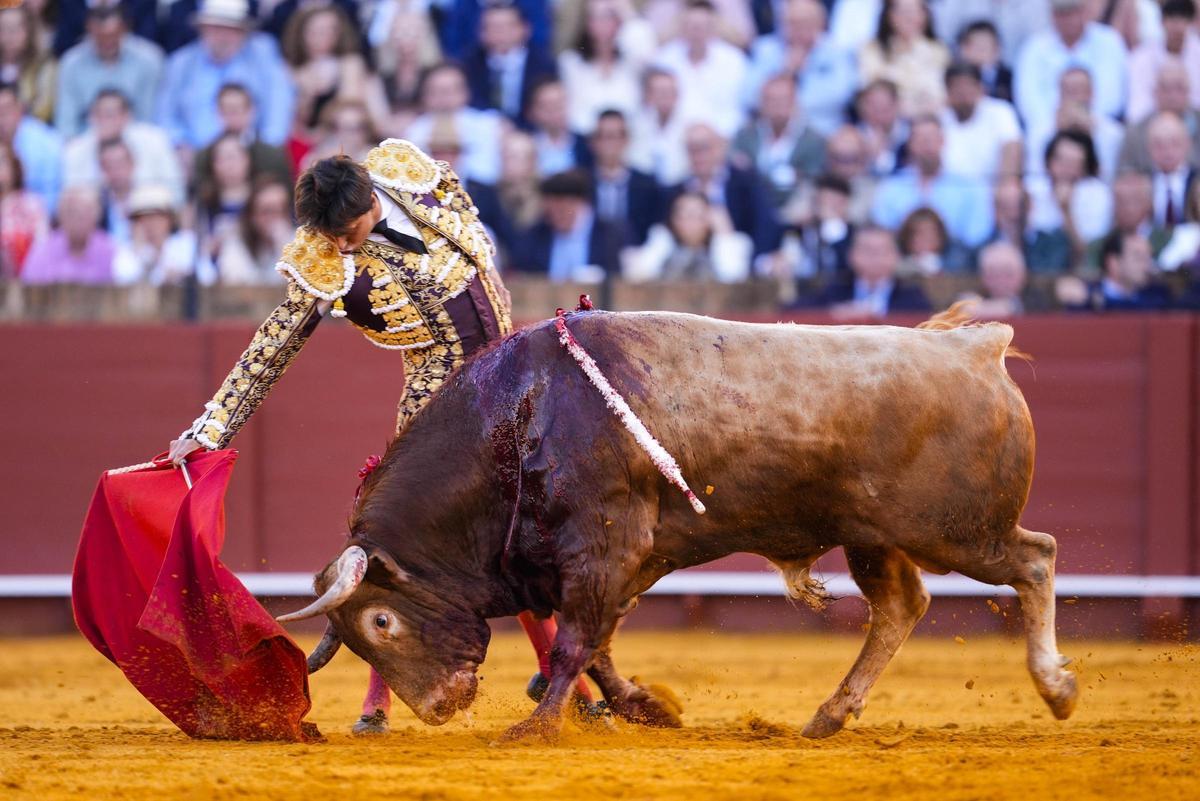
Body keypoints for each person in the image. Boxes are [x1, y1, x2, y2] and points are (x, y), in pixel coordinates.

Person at [166, 138, 599, 735]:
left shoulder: (407, 171)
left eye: (348, 231)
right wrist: (211, 427)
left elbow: (473, 245)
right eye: (332, 236)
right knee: (406, 556)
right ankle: (380, 699)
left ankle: (557, 672)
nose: (343, 246)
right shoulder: (325, 257)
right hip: (439, 415)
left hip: (516, 388)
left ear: (372, 198)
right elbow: (273, 345)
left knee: (527, 535)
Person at [156, 0, 295, 151]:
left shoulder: (262, 56)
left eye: (231, 29)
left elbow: (279, 107)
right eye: (216, 28)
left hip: (251, 151)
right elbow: (164, 113)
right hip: (192, 153)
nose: (223, 36)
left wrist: (264, 150)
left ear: (243, 32)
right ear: (203, 29)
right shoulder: (181, 63)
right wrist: (179, 144)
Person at [870, 115, 993, 249]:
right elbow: (883, 230)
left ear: (943, 141)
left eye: (931, 139)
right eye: (921, 140)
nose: (927, 146)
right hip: (903, 257)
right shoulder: (891, 187)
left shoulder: (969, 187)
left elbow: (976, 236)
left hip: (956, 256)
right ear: (910, 144)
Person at [742, 0, 858, 136]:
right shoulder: (765, 49)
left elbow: (841, 94)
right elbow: (748, 96)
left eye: (804, 23)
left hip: (823, 130)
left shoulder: (836, 51)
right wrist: (785, 71)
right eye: (791, 23)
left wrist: (780, 103)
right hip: (772, 132)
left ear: (821, 24)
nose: (797, 30)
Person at [669, 122, 782, 257]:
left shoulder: (746, 183)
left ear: (721, 147)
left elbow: (765, 227)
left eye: (704, 148)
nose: (698, 156)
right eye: (692, 149)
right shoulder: (677, 191)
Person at [1014, 0, 1128, 129]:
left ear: (1085, 11)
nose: (1068, 19)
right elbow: (1028, 100)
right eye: (1062, 14)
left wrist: (1084, 118)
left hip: (1098, 123)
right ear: (1052, 15)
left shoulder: (1109, 41)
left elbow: (1113, 95)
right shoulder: (1034, 48)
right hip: (1050, 126)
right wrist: (1060, 120)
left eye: (1073, 12)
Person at [55, 4, 162, 138]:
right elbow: (66, 123)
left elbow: (149, 118)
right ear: (89, 30)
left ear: (124, 29)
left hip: (137, 138)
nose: (107, 42)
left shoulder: (149, 60)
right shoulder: (71, 63)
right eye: (100, 37)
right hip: (87, 140)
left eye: (112, 35)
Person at [62, 89, 183, 205]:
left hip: (149, 210)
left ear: (127, 116)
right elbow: (70, 197)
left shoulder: (154, 140)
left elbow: (175, 190)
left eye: (109, 114)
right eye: (98, 114)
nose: (104, 121)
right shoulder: (75, 150)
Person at [281, 5, 384, 140]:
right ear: (301, 34)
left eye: (331, 30)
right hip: (301, 139)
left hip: (341, 137)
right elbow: (290, 120)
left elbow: (349, 106)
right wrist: (307, 95)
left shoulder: (350, 63)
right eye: (317, 31)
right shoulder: (290, 69)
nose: (325, 36)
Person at [652, 0, 748, 137]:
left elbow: (736, 107)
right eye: (692, 27)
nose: (697, 33)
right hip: (676, 135)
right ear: (682, 29)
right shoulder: (665, 59)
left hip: (723, 134)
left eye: (702, 27)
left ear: (713, 30)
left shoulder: (734, 60)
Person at [558, 0, 655, 134]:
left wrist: (625, 10)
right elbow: (572, 112)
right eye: (595, 17)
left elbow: (646, 48)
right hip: (587, 139)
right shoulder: (571, 63)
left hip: (629, 137)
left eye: (608, 16)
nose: (602, 23)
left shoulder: (632, 61)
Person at [732, 73, 826, 210]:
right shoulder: (745, 136)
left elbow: (814, 177)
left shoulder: (813, 140)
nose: (777, 106)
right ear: (761, 103)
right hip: (752, 206)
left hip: (797, 206)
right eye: (771, 100)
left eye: (783, 100)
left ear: (795, 102)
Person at [509, 168, 623, 280]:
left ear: (580, 204)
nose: (557, 216)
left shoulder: (610, 236)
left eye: (563, 210)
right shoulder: (534, 237)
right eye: (552, 212)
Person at [799, 224, 931, 316]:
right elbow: (795, 312)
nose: (875, 256)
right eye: (867, 250)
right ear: (851, 255)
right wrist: (833, 313)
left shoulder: (912, 296)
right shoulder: (834, 291)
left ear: (896, 256)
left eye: (882, 250)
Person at [1025, 130, 1113, 268]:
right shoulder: (1032, 189)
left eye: (1073, 163)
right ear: (1048, 161)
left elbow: (1088, 254)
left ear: (1083, 168)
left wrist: (1066, 211)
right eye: (1060, 161)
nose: (1065, 169)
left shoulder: (1097, 194)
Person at [463, 2, 557, 128]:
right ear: (481, 33)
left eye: (507, 26)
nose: (501, 34)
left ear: (525, 28)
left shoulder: (544, 65)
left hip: (531, 130)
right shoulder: (469, 65)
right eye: (493, 27)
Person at [624, 190, 752, 282]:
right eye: (681, 216)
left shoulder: (734, 243)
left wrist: (723, 234)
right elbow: (638, 275)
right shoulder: (663, 244)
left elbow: (733, 278)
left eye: (694, 215)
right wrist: (661, 240)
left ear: (709, 218)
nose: (687, 222)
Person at [858, 0, 950, 117]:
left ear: (925, 15)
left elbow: (942, 94)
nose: (908, 17)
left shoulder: (938, 51)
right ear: (889, 15)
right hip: (887, 117)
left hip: (931, 117)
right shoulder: (872, 50)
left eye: (914, 11)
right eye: (902, 11)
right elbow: (872, 90)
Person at [588, 109, 661, 247]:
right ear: (593, 142)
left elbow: (654, 231)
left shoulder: (647, 185)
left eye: (613, 136)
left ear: (626, 140)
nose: (608, 143)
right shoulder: (581, 183)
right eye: (602, 136)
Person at [938, 62, 1022, 181]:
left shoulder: (1000, 111)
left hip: (995, 186)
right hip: (951, 188)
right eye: (957, 87)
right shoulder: (940, 118)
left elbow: (1011, 147)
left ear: (981, 88)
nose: (963, 93)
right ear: (947, 91)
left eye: (968, 85)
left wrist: (1007, 182)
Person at [113, 183, 210, 286]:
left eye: (156, 217)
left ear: (169, 219)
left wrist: (179, 276)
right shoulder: (126, 252)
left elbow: (207, 276)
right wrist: (142, 254)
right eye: (142, 219)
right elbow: (123, 279)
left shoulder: (187, 244)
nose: (150, 224)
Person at [21, 184, 118, 284]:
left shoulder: (111, 251)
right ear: (60, 215)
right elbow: (28, 287)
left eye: (83, 213)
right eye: (71, 212)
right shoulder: (42, 251)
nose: (77, 220)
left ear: (97, 215)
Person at [1118, 61, 1200, 175]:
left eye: (1179, 88)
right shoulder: (1136, 133)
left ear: (1189, 91)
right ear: (1155, 92)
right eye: (1166, 89)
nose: (1172, 96)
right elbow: (1125, 174)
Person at [1127, 0, 1200, 124]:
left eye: (1183, 20)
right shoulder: (1142, 57)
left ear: (1191, 23)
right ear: (1161, 22)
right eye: (1172, 19)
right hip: (1152, 124)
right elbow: (1137, 106)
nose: (1177, 27)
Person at [1058, 230, 1172, 310]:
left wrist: (1101, 303)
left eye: (1149, 257)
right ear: (1114, 263)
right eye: (1138, 258)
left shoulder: (1156, 296)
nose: (1147, 265)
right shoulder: (1084, 296)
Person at [216, 175, 293, 285]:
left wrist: (282, 247)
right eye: (267, 211)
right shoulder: (236, 244)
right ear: (252, 215)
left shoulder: (297, 243)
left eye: (282, 210)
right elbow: (236, 282)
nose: (276, 218)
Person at [0, 81, 61, 210]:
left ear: (20, 109)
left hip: (35, 215)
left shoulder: (47, 143)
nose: (1, 118)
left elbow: (52, 195)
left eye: (5, 110)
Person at [627, 67, 693, 186]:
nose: (664, 96)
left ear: (677, 94)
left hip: (680, 185)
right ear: (648, 95)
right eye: (659, 91)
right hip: (646, 186)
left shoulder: (691, 125)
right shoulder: (637, 125)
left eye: (669, 91)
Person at [0, 139, 48, 278]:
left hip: (26, 283)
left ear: (14, 167)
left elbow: (42, 248)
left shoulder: (31, 205)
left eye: (2, 161)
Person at [0, 4, 55, 124]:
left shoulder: (43, 65)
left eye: (15, 28)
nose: (10, 35)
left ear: (28, 31)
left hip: (31, 127)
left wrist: (12, 119)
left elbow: (44, 109)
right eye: (4, 28)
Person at [526, 77, 592, 176]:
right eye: (547, 106)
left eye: (559, 105)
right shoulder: (525, 145)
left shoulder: (586, 145)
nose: (554, 112)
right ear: (533, 110)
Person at [955, 20, 1013, 104]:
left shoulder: (1009, 78)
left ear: (997, 49)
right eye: (976, 46)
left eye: (985, 47)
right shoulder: (955, 78)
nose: (980, 52)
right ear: (963, 49)